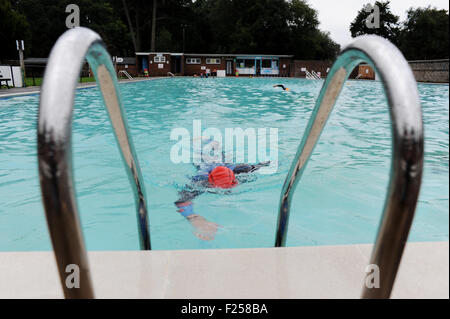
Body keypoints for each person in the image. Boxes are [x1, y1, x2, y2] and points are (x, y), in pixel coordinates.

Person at [175, 138, 270, 241]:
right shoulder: (201, 182)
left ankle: (212, 142)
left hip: (227, 166)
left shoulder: (242, 170)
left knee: (221, 155)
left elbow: (263, 164)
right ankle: (196, 142)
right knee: (201, 158)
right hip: (206, 166)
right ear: (211, 185)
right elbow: (182, 201)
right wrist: (195, 219)